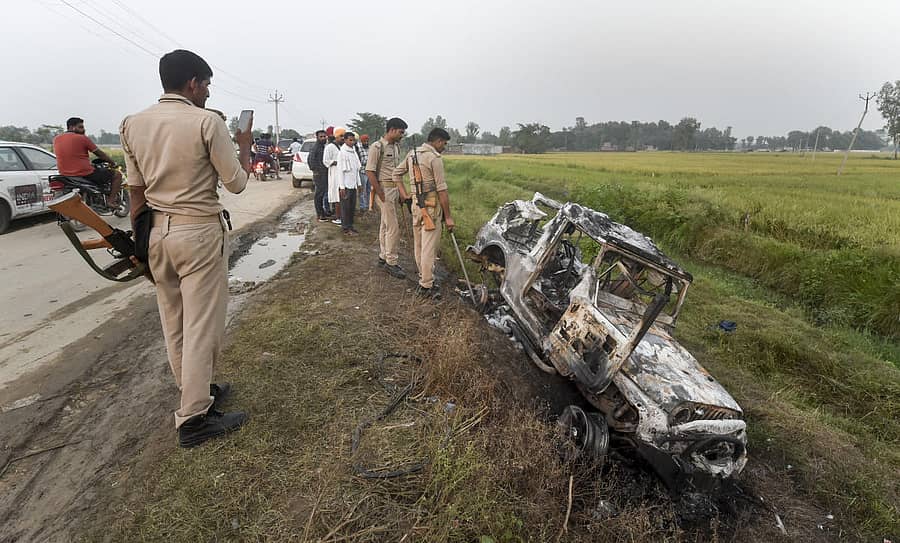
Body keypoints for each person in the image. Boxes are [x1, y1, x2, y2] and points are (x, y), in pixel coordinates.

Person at [119, 49, 253, 448]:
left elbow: (136, 192)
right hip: (198, 233)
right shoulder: (206, 122)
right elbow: (237, 183)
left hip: (157, 234)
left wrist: (139, 244)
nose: (209, 92)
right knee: (201, 327)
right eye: (207, 84)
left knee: (174, 322)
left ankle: (195, 392)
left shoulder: (131, 125)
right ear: (193, 83)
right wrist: (243, 145)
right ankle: (194, 417)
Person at [392, 128, 455, 299]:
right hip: (431, 206)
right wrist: (448, 217)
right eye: (444, 143)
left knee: (419, 245)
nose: (444, 147)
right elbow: (442, 190)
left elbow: (396, 174)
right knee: (428, 248)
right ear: (438, 141)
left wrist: (405, 195)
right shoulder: (434, 158)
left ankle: (423, 276)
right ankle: (426, 284)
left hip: (416, 206)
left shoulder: (412, 155)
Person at [365, 117, 409, 279]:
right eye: (400, 132)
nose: (402, 135)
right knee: (393, 228)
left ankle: (383, 257)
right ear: (391, 130)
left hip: (393, 189)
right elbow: (369, 171)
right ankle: (391, 262)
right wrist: (380, 193)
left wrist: (400, 192)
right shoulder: (377, 147)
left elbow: (397, 172)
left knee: (385, 225)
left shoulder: (396, 147)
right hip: (384, 190)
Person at [53, 117, 124, 208]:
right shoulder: (82, 138)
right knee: (117, 175)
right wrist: (112, 162)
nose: (83, 130)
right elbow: (99, 153)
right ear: (72, 127)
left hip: (64, 174)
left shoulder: (56, 139)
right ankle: (111, 201)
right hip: (84, 173)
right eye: (80, 127)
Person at [338, 132, 361, 235]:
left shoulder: (353, 151)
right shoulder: (342, 152)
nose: (352, 142)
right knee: (345, 208)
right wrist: (342, 187)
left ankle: (350, 226)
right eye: (350, 140)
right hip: (345, 185)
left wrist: (359, 184)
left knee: (352, 207)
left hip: (353, 184)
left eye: (353, 140)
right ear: (345, 140)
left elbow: (356, 170)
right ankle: (345, 228)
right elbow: (340, 171)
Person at [307, 130, 330, 222]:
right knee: (319, 194)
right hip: (319, 174)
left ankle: (323, 212)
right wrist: (315, 170)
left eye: (324, 136)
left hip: (324, 173)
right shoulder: (315, 147)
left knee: (323, 193)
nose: (323, 138)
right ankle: (320, 214)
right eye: (321, 137)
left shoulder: (323, 147)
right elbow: (310, 159)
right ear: (317, 137)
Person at [324, 127, 345, 225]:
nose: (343, 138)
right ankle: (338, 217)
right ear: (336, 136)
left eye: (343, 136)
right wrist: (335, 162)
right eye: (341, 136)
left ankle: (343, 216)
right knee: (337, 197)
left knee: (343, 196)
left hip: (343, 174)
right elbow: (325, 161)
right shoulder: (329, 147)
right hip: (334, 174)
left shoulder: (343, 147)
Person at [356, 134, 370, 212]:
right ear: (362, 141)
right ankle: (362, 206)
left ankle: (368, 205)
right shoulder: (358, 148)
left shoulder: (370, 148)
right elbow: (360, 161)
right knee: (362, 190)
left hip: (369, 172)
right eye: (364, 141)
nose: (366, 142)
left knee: (368, 190)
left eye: (367, 141)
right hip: (362, 171)